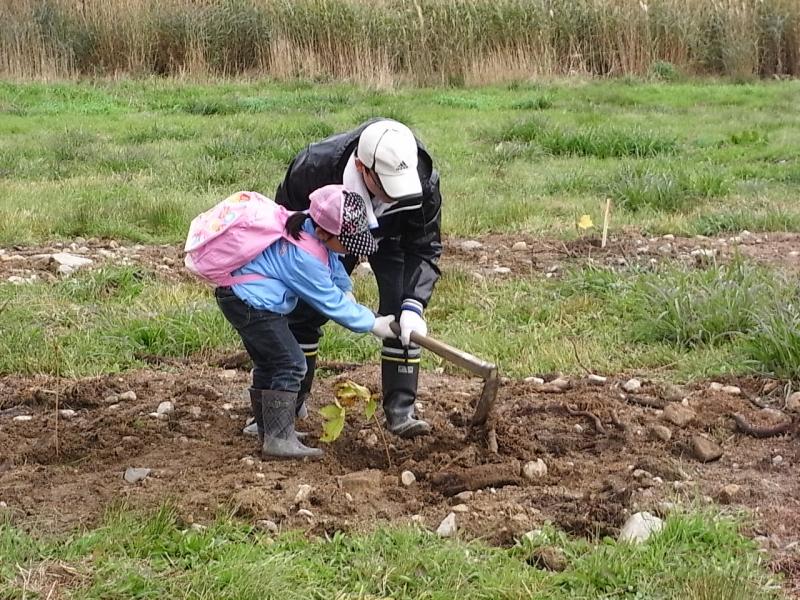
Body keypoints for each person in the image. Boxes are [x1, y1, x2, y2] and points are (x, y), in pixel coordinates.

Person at [272, 118, 443, 439]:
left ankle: (401, 411)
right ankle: (287, 405)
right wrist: (328, 284)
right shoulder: (315, 168)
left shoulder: (424, 179)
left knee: (399, 310)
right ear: (363, 168)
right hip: (329, 235)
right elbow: (285, 225)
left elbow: (425, 246)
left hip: (394, 239)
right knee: (304, 311)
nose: (393, 197)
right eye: (387, 188)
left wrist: (414, 304)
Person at [216, 185, 396, 459]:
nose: (350, 249)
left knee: (269, 363)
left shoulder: (310, 227)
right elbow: (328, 302)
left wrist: (345, 287)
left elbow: (333, 262)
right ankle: (278, 440)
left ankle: (272, 431)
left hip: (244, 298)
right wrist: (372, 323)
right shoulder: (301, 256)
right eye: (348, 241)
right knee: (292, 363)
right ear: (325, 232)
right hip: (248, 303)